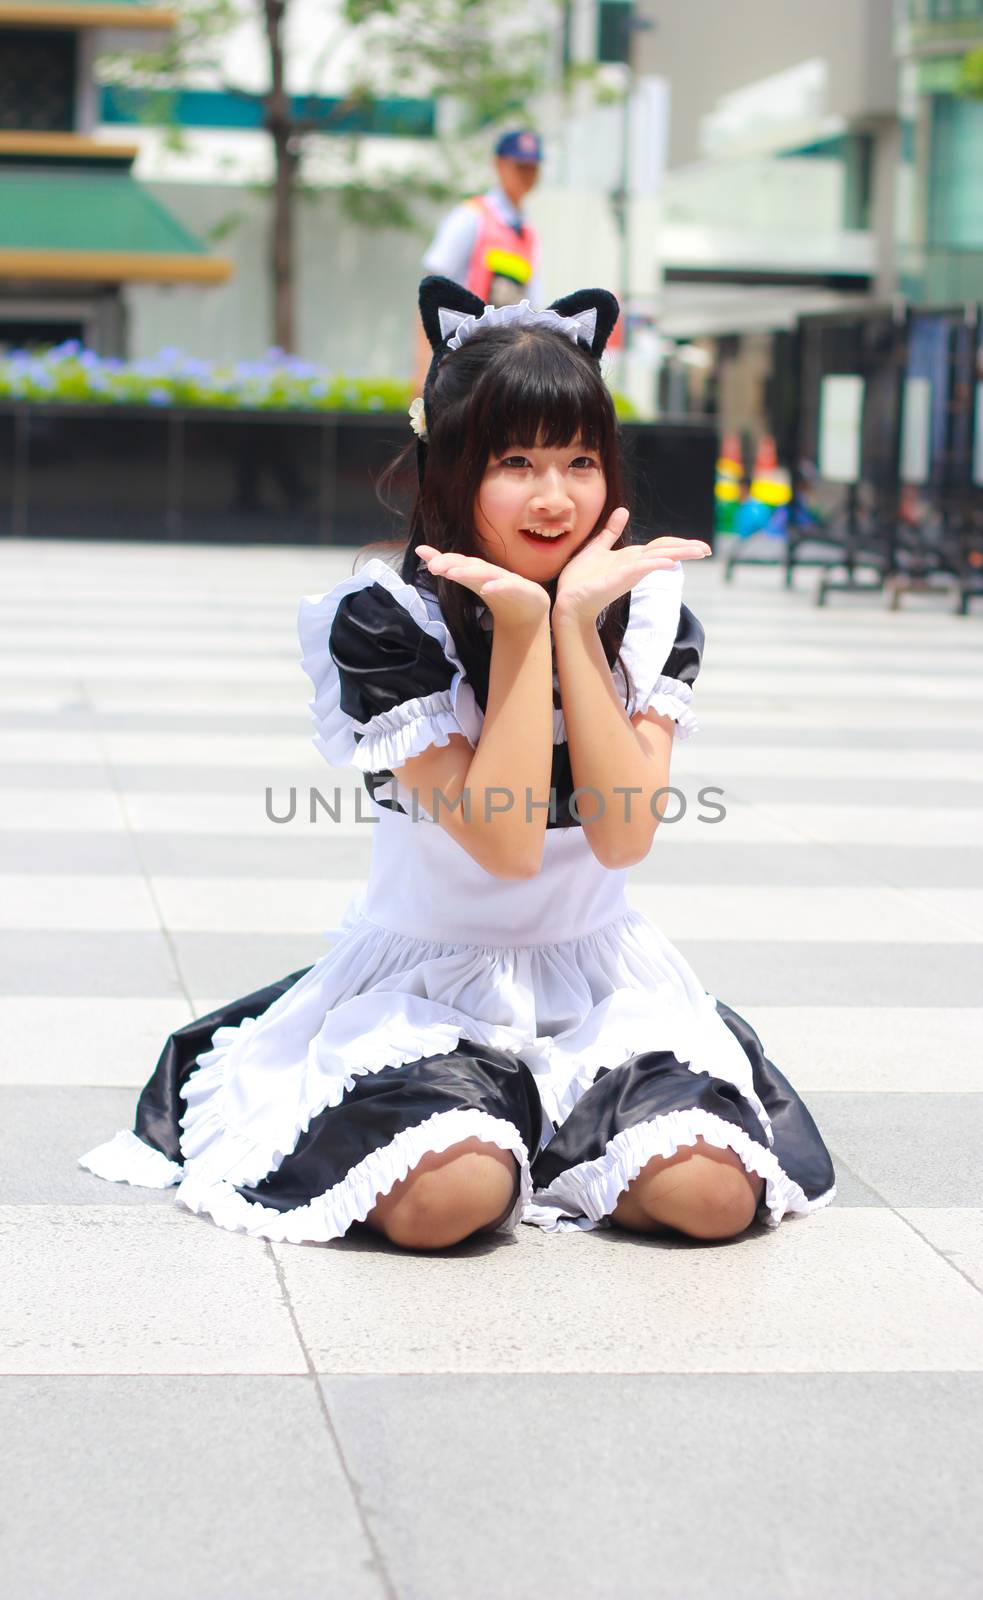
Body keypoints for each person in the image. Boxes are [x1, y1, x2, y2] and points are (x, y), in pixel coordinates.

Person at [79, 274, 836, 1250]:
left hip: (599, 984)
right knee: (450, 1201)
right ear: (449, 470)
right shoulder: (387, 619)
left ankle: (554, 1142)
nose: (554, 496)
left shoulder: (643, 611)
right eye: (514, 460)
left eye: (577, 459)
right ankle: (500, 1142)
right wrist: (517, 636)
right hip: (423, 987)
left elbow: (620, 831)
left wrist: (570, 623)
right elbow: (507, 843)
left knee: (710, 1199)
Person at [412, 128, 544, 393]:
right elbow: (430, 293)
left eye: (532, 167)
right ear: (499, 164)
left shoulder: (528, 234)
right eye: (519, 166)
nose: (526, 174)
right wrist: (423, 370)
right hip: (460, 364)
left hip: (505, 369)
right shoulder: (470, 217)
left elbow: (532, 310)